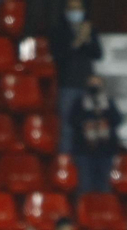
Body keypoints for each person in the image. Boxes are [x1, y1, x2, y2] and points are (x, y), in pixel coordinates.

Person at [51, 0, 103, 154]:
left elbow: (98, 54)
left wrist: (87, 40)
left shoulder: (89, 29)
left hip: (87, 84)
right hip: (67, 83)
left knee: (88, 124)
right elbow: (58, 56)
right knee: (67, 126)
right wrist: (77, 41)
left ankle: (85, 159)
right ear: (66, 11)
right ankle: (65, 162)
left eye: (78, 8)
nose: (76, 12)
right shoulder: (59, 31)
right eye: (72, 8)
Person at [70, 76, 122, 195]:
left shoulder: (108, 102)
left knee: (104, 186)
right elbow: (73, 120)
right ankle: (86, 211)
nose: (94, 87)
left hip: (105, 150)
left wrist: (103, 117)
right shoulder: (79, 102)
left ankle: (103, 210)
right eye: (92, 84)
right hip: (84, 150)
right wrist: (89, 120)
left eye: (97, 84)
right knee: (86, 185)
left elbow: (117, 120)